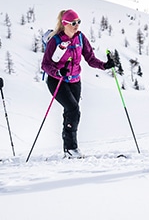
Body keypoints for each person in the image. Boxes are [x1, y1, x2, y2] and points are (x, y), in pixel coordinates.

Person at [40, 9, 112, 158]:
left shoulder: (80, 38)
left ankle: (68, 149)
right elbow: (45, 65)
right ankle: (72, 148)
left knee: (71, 112)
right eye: (73, 23)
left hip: (75, 81)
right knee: (73, 109)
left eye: (79, 22)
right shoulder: (55, 40)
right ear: (65, 24)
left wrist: (105, 65)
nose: (77, 25)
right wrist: (58, 72)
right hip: (57, 81)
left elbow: (90, 58)